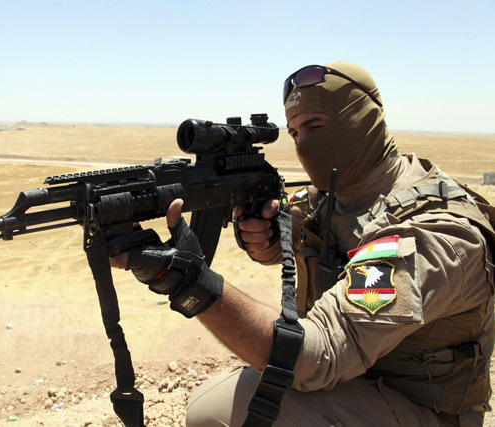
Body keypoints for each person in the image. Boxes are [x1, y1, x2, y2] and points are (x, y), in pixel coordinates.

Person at [112, 61, 495, 426]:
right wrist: (262, 240)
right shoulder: (332, 197)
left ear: (361, 118)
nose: (303, 142)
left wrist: (188, 282)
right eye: (294, 132)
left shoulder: (434, 231)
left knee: (221, 408)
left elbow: (318, 356)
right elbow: (289, 232)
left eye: (314, 124)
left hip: (419, 407)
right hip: (355, 385)